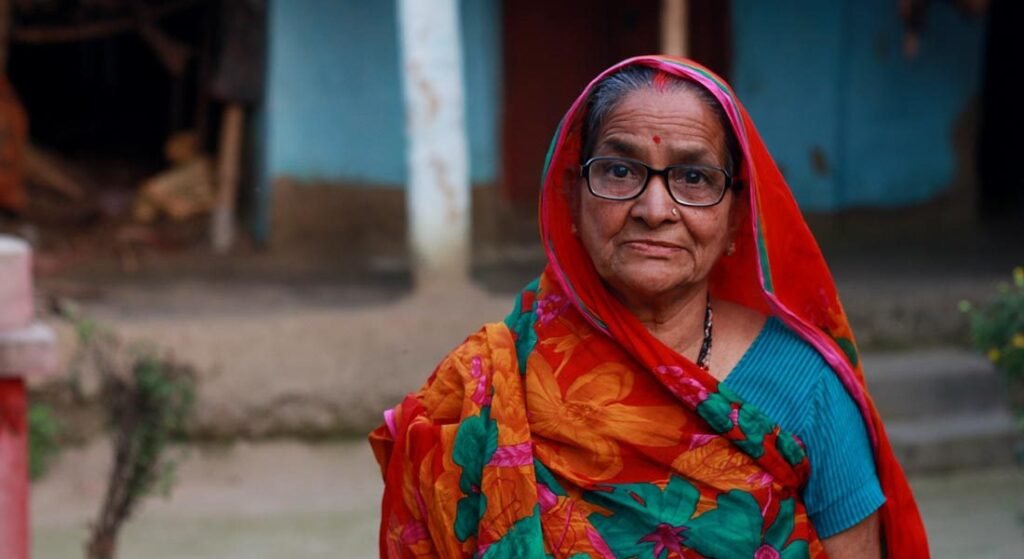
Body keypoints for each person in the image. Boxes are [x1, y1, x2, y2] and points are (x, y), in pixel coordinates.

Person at [370, 56, 928, 558]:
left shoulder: (808, 386)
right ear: (572, 198)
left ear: (736, 218)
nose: (654, 208)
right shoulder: (492, 382)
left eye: (693, 176)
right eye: (619, 171)